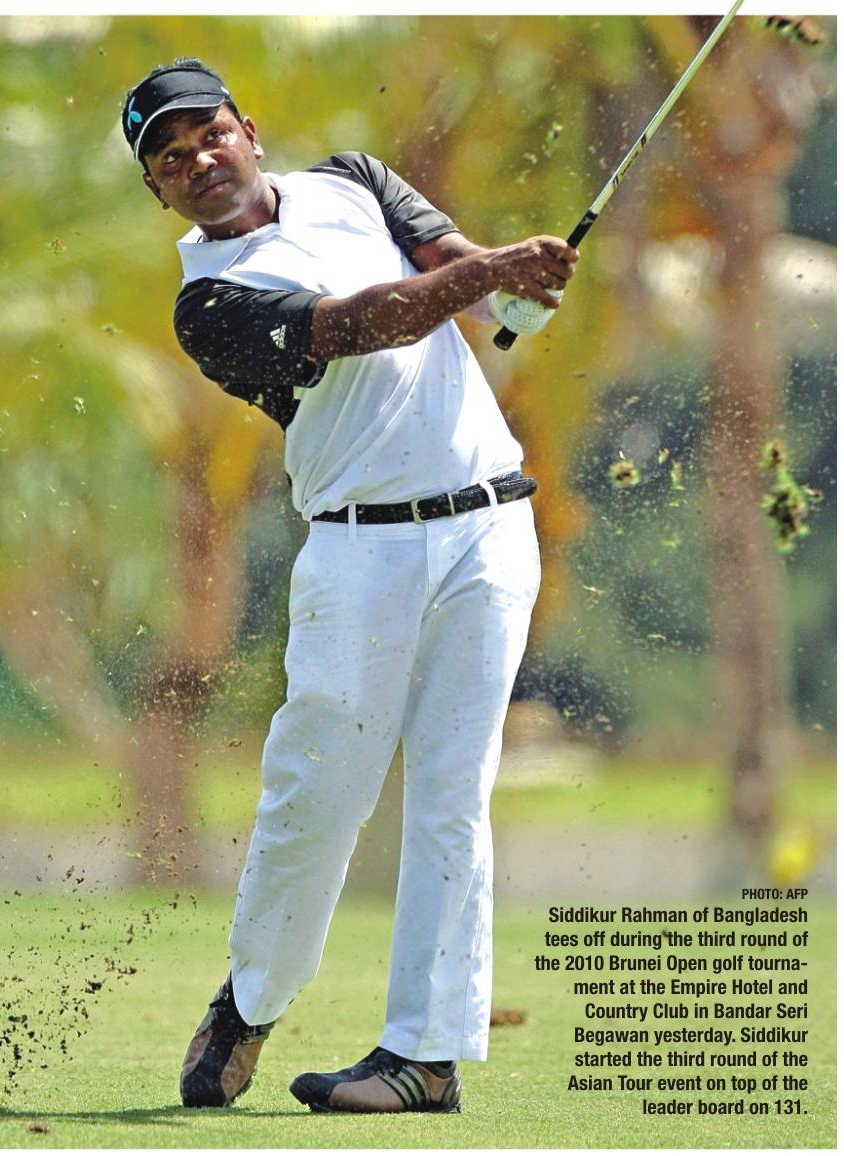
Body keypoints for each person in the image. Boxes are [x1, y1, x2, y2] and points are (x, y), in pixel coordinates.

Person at [121, 57, 578, 1115]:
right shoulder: (210, 303)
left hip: (490, 527)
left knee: (453, 796)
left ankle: (425, 1057)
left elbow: (460, 273)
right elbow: (373, 320)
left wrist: (522, 285)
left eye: (208, 134)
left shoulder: (356, 179)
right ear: (157, 190)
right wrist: (495, 270)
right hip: (360, 549)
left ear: (247, 129)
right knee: (316, 796)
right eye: (170, 158)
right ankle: (252, 1000)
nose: (198, 161)